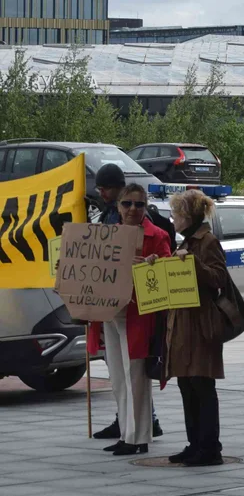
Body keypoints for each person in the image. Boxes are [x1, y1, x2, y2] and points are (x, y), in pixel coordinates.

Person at [86, 183, 172, 455]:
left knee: (135, 376)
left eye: (139, 204)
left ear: (146, 207)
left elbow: (168, 274)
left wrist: (151, 265)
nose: (133, 209)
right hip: (111, 312)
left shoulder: (156, 235)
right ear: (119, 207)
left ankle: (139, 437)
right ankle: (127, 433)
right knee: (119, 377)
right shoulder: (107, 235)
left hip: (138, 315)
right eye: (128, 204)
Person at [165, 189, 230, 467]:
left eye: (176, 214)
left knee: (202, 384)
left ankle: (210, 447)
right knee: (186, 383)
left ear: (188, 216)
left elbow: (218, 279)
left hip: (201, 323)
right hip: (182, 322)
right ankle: (195, 443)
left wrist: (195, 265)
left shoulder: (207, 242)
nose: (173, 219)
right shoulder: (184, 242)